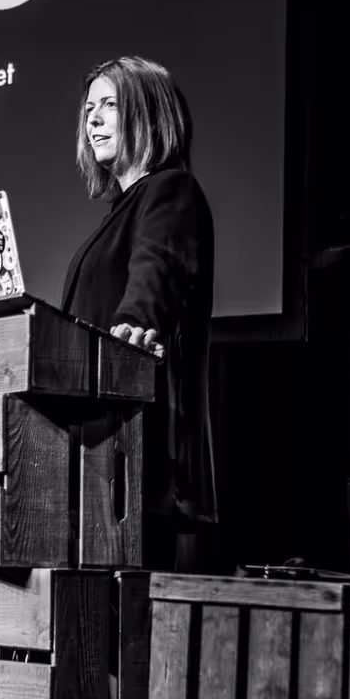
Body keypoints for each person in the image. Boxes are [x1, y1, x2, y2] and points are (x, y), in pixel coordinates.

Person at [60, 56, 217, 563]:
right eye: (89, 109)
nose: (94, 119)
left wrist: (135, 324)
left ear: (149, 114)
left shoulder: (170, 190)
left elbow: (158, 269)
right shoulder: (116, 215)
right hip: (94, 447)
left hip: (135, 448)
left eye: (110, 105)